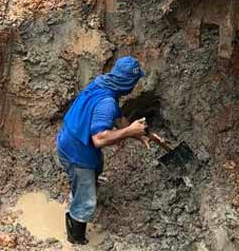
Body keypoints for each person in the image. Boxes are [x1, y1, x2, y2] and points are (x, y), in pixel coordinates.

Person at [55, 56, 160, 244]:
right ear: (129, 83)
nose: (135, 86)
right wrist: (129, 131)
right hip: (78, 152)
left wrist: (142, 134)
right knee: (86, 201)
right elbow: (99, 139)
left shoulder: (102, 83)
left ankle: (83, 188)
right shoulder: (107, 102)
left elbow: (118, 118)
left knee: (95, 168)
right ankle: (76, 237)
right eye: (135, 82)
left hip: (70, 139)